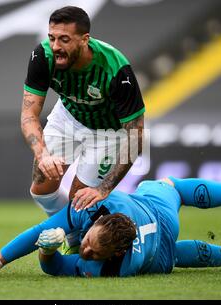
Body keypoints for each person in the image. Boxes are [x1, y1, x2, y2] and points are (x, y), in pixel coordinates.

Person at [0, 178, 221, 277]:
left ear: (117, 253)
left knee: (180, 257)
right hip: (159, 213)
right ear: (97, 220)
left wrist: (47, 253)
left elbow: (56, 267)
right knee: (172, 185)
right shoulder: (95, 215)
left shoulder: (110, 268)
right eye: (90, 241)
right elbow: (41, 231)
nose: (87, 249)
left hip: (160, 247)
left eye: (92, 249)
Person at [21, 6, 145, 250]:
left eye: (64, 39)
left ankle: (76, 241)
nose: (56, 46)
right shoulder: (43, 57)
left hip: (107, 133)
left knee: (81, 199)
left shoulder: (116, 70)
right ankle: (73, 234)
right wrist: (42, 154)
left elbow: (136, 135)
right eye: (52, 38)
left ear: (84, 40)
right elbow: (29, 113)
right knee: (40, 188)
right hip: (68, 116)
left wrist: (104, 188)